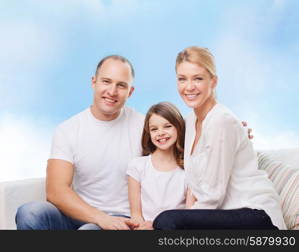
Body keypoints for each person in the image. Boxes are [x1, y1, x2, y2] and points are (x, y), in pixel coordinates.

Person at [153, 46, 286, 230]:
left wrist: (183, 220)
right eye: (182, 79)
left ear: (213, 82)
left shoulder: (221, 121)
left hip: (256, 215)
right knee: (168, 221)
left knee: (167, 221)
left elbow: (212, 196)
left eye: (198, 78)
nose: (189, 87)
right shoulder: (190, 122)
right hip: (225, 214)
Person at [15, 55, 145, 230]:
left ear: (130, 92)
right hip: (81, 215)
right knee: (29, 212)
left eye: (121, 85)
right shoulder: (68, 130)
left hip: (124, 220)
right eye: (106, 81)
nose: (112, 91)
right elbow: (55, 191)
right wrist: (100, 218)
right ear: (94, 82)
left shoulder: (144, 126)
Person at [126, 102, 186, 230]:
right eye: (154, 129)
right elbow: (135, 215)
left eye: (167, 126)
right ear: (149, 133)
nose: (161, 133)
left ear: (179, 127)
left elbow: (189, 216)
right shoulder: (137, 166)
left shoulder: (188, 168)